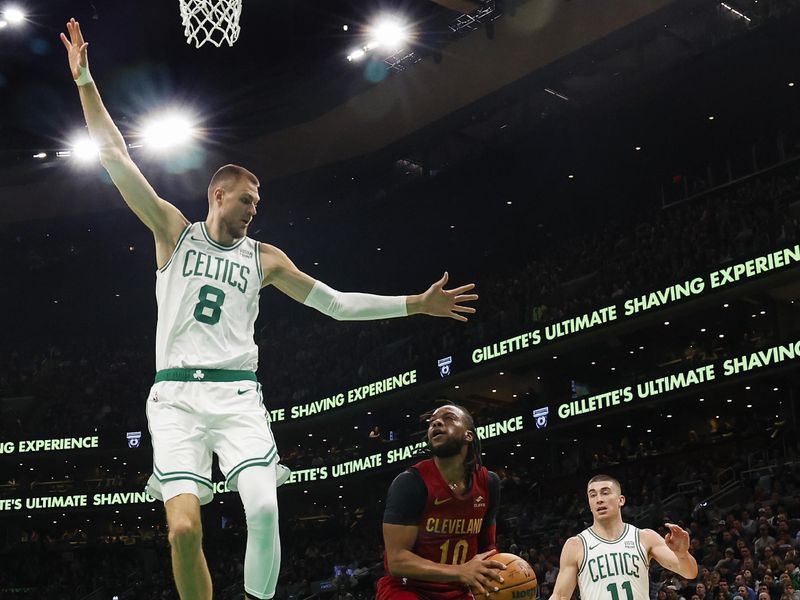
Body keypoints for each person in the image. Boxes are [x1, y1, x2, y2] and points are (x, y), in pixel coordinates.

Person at [60, 18, 479, 600]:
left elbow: (334, 304)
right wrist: (84, 80)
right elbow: (115, 158)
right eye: (246, 200)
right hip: (176, 398)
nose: (254, 210)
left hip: (238, 398)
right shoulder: (172, 231)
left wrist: (416, 304)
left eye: (258, 203)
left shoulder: (266, 259)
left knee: (263, 509)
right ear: (218, 194)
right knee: (183, 529)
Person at [378, 404, 504, 599]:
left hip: (460, 590)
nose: (436, 422)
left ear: (468, 436)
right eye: (432, 422)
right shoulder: (411, 483)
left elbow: (488, 548)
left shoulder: (489, 483)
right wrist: (460, 571)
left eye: (449, 418)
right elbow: (397, 561)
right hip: (408, 590)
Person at [550, 474, 698, 600]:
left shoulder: (645, 538)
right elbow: (560, 596)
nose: (599, 499)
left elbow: (690, 573)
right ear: (589, 504)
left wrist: (682, 554)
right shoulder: (576, 545)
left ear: (621, 500)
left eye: (605, 492)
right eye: (593, 495)